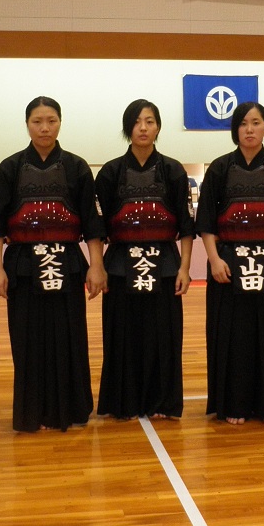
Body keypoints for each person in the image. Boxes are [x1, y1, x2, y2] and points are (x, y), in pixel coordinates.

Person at [0, 97, 107, 432]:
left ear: (60, 123)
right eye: (37, 121)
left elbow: (91, 225)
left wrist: (96, 266)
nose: (44, 128)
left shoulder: (77, 167)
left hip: (67, 263)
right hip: (23, 266)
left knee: (69, 337)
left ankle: (70, 409)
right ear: (27, 124)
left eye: (51, 121)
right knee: (27, 340)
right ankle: (32, 412)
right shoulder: (10, 168)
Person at [196, 101, 264, 425]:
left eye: (256, 123)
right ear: (235, 130)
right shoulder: (219, 169)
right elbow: (206, 221)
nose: (249, 129)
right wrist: (214, 260)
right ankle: (234, 404)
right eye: (243, 123)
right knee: (234, 337)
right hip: (228, 265)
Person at [94, 99, 195, 421]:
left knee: (163, 336)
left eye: (150, 121)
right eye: (137, 122)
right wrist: (99, 267)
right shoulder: (110, 172)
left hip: (164, 266)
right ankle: (123, 402)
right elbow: (97, 227)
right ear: (128, 128)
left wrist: (184, 268)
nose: (143, 128)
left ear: (158, 127)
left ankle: (162, 402)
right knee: (122, 336)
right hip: (120, 267)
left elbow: (186, 226)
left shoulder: (173, 170)